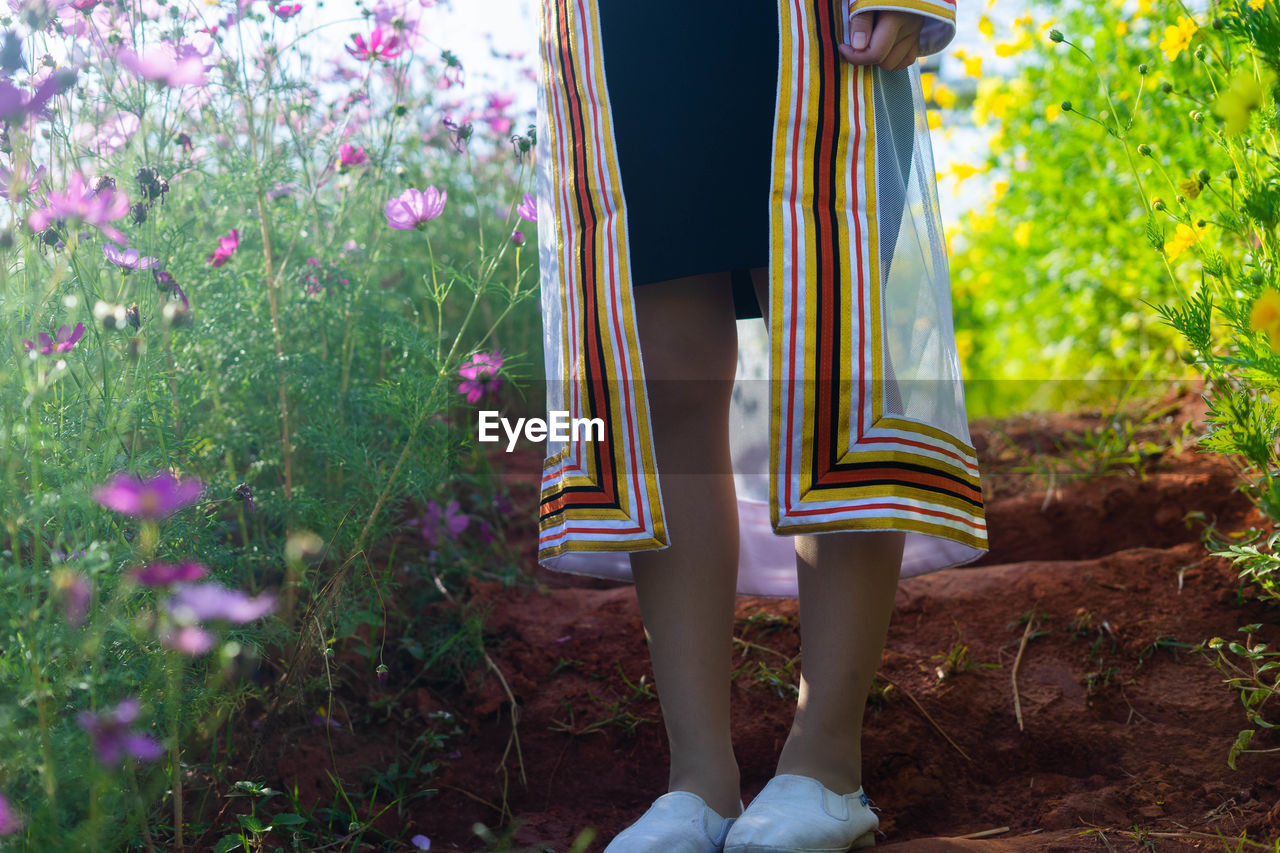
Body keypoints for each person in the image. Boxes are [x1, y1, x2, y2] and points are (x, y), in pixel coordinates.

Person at [532, 0, 988, 850]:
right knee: (659, 364)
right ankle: (697, 783)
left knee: (838, 348)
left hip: (805, 21)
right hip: (632, 28)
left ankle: (827, 767)